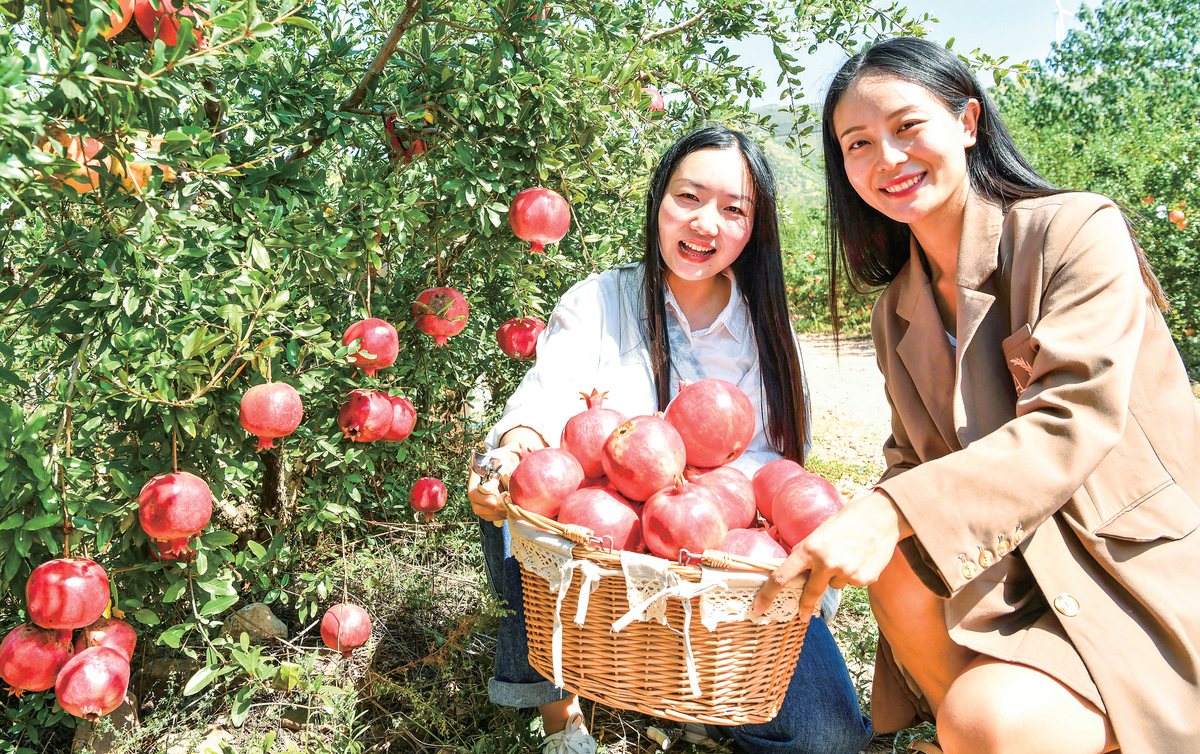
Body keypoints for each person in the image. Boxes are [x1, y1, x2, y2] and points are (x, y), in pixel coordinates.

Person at [753, 36, 1200, 754]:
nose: (886, 160)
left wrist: (893, 510)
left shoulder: (1073, 232)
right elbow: (910, 454)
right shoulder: (897, 305)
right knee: (895, 562)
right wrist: (845, 513)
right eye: (858, 144)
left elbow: (1071, 420)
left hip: (1125, 566)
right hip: (1014, 571)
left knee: (985, 719)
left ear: (967, 123)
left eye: (906, 127)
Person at [467, 124, 873, 754]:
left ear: (754, 228)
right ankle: (559, 709)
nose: (706, 223)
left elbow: (773, 471)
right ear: (659, 200)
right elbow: (545, 397)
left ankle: (712, 691)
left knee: (829, 736)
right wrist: (512, 448)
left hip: (727, 565)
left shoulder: (766, 329)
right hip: (607, 551)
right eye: (689, 197)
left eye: (733, 210)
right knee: (518, 491)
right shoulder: (600, 301)